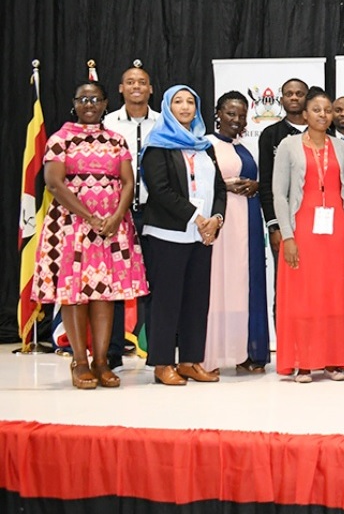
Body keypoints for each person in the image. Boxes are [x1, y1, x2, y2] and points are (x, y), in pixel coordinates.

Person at [33, 80, 148, 388]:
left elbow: (127, 182)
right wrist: (89, 217)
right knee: (73, 296)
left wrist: (116, 217)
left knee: (104, 295)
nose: (89, 105)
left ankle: (101, 361)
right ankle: (80, 361)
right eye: (83, 99)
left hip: (112, 227)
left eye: (95, 100)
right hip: (70, 227)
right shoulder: (61, 138)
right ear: (75, 103)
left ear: (104, 104)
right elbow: (54, 183)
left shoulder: (116, 140)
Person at [272, 87, 344, 383]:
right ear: (305, 113)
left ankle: (334, 360)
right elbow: (279, 194)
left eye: (328, 110)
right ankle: (304, 361)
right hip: (302, 230)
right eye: (317, 110)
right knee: (303, 297)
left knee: (335, 295)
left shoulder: (341, 147)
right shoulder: (288, 145)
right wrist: (287, 236)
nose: (323, 115)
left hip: (336, 230)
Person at [139, 85, 227, 386]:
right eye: (178, 101)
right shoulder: (157, 144)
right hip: (168, 233)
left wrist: (215, 219)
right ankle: (162, 363)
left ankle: (190, 361)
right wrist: (197, 218)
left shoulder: (205, 145)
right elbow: (159, 190)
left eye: (191, 101)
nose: (186, 107)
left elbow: (219, 189)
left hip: (201, 236)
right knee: (166, 300)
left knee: (196, 299)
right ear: (167, 107)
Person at [204, 91, 270, 374]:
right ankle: (213, 354)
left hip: (248, 222)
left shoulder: (243, 145)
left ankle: (243, 350)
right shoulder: (206, 143)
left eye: (242, 114)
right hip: (221, 222)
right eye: (231, 113)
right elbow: (200, 182)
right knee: (219, 286)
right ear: (218, 113)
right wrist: (225, 186)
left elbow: (256, 180)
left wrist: (255, 186)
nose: (236, 119)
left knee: (244, 286)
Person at [103, 61, 158, 367]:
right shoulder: (107, 124)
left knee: (153, 282)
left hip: (154, 214)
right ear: (121, 88)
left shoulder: (164, 123)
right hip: (116, 214)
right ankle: (112, 351)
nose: (136, 87)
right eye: (130, 82)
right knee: (115, 283)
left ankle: (155, 351)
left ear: (150, 89)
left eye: (142, 82)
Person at [258, 78, 309, 259]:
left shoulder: (322, 133)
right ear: (281, 100)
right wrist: (274, 225)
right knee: (286, 279)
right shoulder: (270, 134)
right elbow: (265, 183)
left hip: (315, 220)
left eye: (299, 94)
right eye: (289, 94)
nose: (294, 98)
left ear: (307, 98)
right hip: (283, 220)